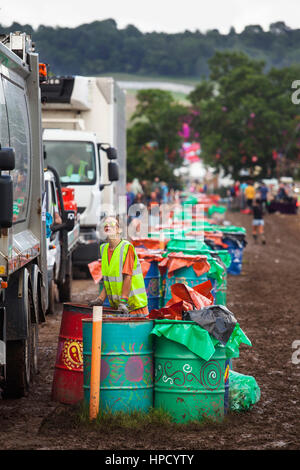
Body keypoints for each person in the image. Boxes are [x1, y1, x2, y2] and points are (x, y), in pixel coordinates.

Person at [88, 216, 149, 316]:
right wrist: (100, 299)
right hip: (120, 308)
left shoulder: (126, 247)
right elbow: (109, 281)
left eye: (111, 224)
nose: (108, 226)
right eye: (105, 225)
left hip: (135, 307)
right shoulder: (103, 249)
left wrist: (123, 301)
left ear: (119, 229)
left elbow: (127, 276)